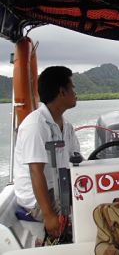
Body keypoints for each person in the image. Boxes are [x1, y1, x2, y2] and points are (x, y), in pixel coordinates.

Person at [14, 66, 80, 238]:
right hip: (37, 199)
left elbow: (77, 160)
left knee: (98, 199)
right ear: (62, 92)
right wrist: (49, 215)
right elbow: (36, 171)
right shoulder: (35, 126)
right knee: (85, 213)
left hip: (60, 187)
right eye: (72, 88)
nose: (76, 92)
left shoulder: (67, 127)